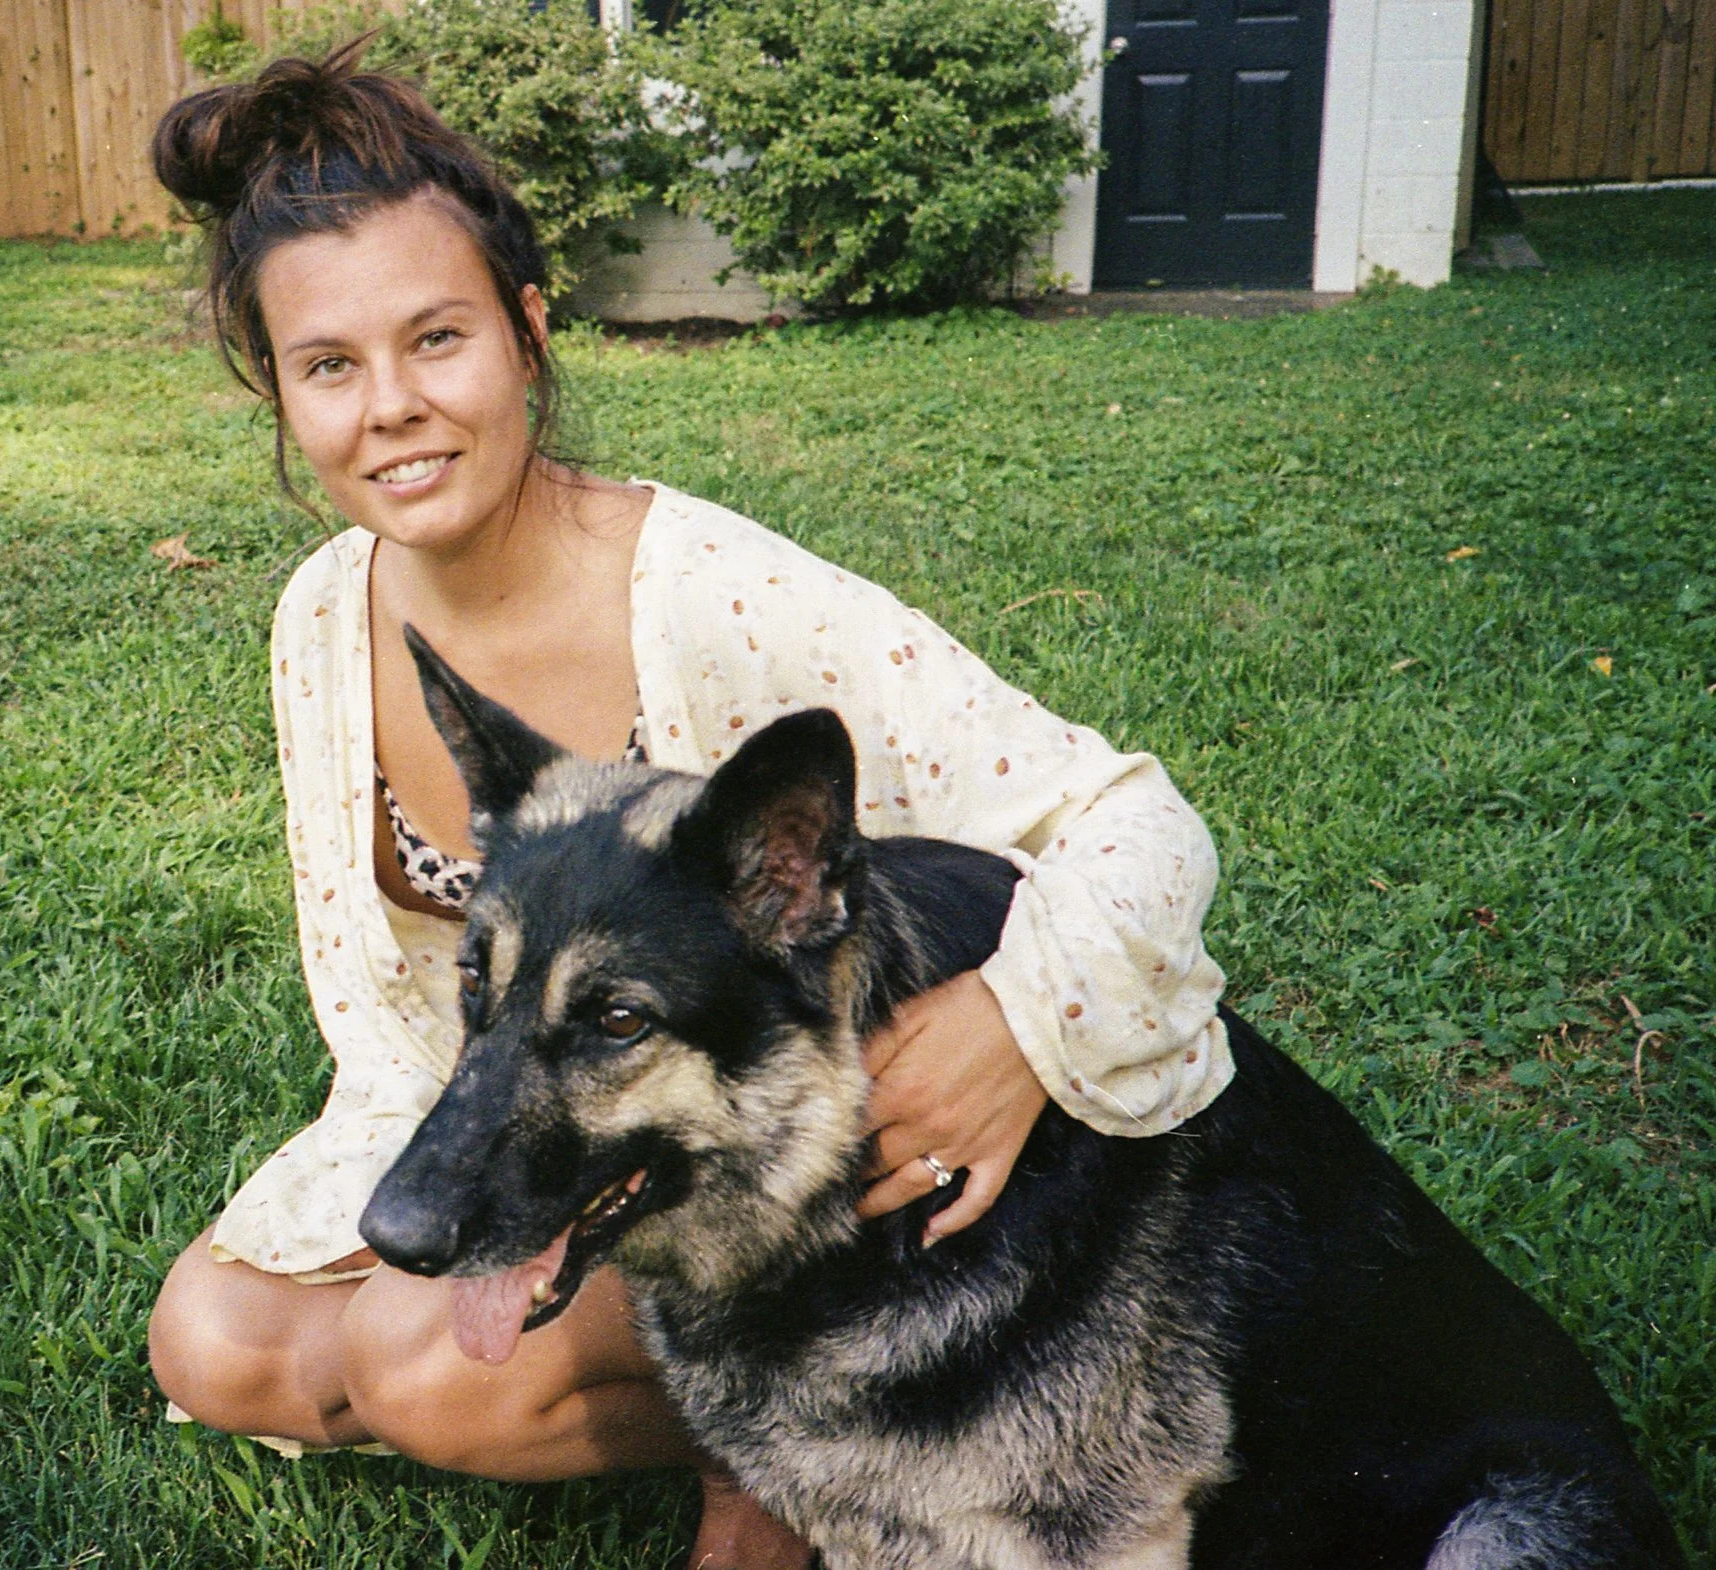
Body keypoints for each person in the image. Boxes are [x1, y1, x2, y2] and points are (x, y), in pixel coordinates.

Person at [142, 43, 1235, 1569]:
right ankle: (744, 1411)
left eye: (437, 339)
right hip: (537, 1101)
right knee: (211, 1340)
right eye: (330, 365)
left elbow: (1144, 824)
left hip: (784, 1162)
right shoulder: (327, 616)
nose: (390, 409)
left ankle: (779, 1455)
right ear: (278, 387)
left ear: (528, 335)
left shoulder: (716, 591)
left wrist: (1016, 1032)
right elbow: (412, 1011)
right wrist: (445, 1175)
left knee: (418, 1365)